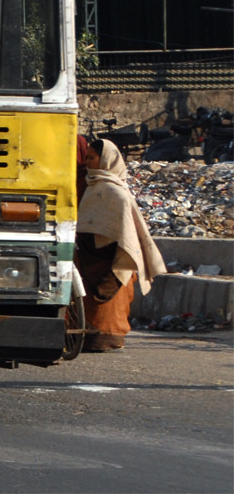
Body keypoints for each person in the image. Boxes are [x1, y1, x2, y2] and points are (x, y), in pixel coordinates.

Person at [75, 139, 167, 352]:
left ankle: (107, 339)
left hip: (110, 260)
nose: (87, 163)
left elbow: (124, 233)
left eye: (92, 158)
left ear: (106, 160)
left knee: (109, 306)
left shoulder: (113, 190)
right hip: (93, 257)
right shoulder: (93, 184)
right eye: (86, 157)